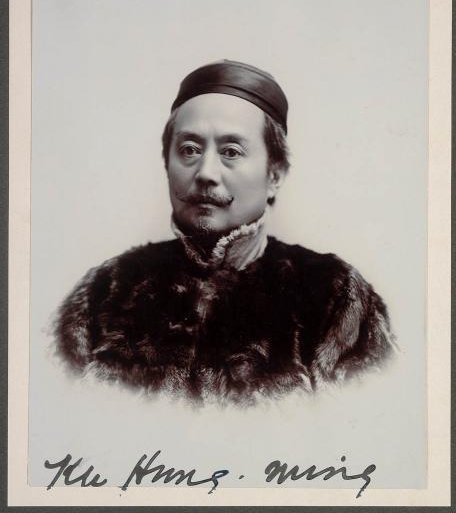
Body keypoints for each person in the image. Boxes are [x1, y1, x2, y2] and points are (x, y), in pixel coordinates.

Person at [55, 60, 396, 404]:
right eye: (189, 150)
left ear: (274, 173)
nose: (205, 172)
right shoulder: (103, 291)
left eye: (231, 152)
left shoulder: (335, 298)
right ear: (167, 165)